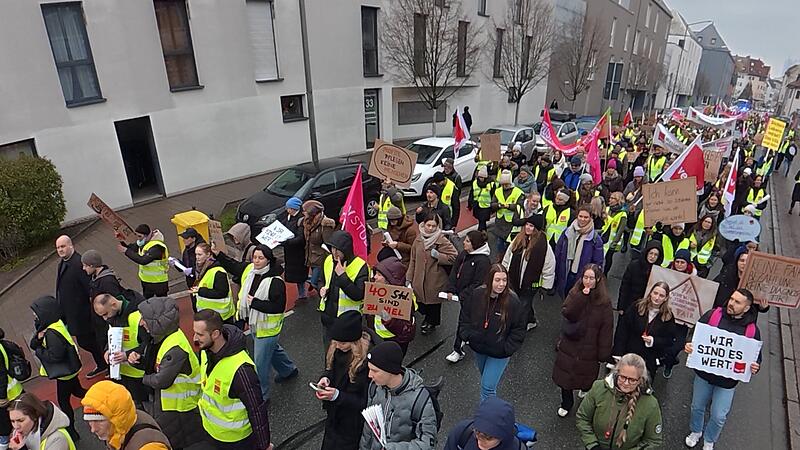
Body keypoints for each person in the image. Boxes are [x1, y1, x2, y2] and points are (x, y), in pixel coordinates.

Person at [215, 244, 297, 401]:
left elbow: (278, 307)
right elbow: (233, 265)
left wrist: (255, 303)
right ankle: (288, 370)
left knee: (259, 364)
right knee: (273, 351)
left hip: (268, 329)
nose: (256, 261)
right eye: (254, 257)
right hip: (256, 325)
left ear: (268, 260)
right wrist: (218, 254)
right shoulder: (250, 272)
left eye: (261, 258)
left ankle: (262, 396)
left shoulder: (275, 281)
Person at [684, 289, 762, 450]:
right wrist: (690, 344)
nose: (731, 303)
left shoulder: (752, 331)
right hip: (704, 375)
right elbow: (694, 335)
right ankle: (696, 431)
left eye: (737, 302)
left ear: (746, 308)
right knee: (697, 407)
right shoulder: (713, 315)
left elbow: (755, 357)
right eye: (731, 299)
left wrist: (755, 366)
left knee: (719, 416)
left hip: (727, 383)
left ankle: (710, 439)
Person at [193, 310, 272, 450]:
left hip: (236, 441)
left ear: (215, 334)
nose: (194, 338)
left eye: (200, 334)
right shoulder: (205, 352)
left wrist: (263, 445)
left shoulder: (242, 370)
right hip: (212, 432)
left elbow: (257, 410)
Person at [138, 297, 205, 449]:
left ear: (158, 322)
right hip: (173, 405)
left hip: (179, 406)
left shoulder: (174, 348)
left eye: (145, 319)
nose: (142, 322)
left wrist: (143, 378)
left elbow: (162, 380)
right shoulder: (167, 338)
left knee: (177, 440)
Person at [552, 264, 614, 417]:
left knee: (586, 375)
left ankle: (584, 389)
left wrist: (603, 353)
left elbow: (606, 329)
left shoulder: (604, 303)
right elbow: (568, 312)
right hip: (571, 342)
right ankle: (566, 403)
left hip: (590, 347)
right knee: (565, 376)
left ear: (598, 280)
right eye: (585, 277)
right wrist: (581, 297)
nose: (587, 281)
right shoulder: (575, 293)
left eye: (591, 278)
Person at [459, 265, 526, 401]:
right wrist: (467, 335)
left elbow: (519, 328)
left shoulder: (513, 302)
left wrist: (506, 348)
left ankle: (487, 419)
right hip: (479, 348)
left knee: (487, 388)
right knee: (486, 382)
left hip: (499, 353)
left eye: (504, 280)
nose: (501, 284)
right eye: (497, 280)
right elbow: (465, 316)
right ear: (489, 280)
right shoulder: (477, 294)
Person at [359, 342, 437, 450]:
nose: (369, 375)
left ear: (390, 371)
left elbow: (428, 443)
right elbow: (368, 430)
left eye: (375, 371)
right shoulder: (374, 387)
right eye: (369, 369)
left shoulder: (420, 400)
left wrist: (393, 448)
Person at [576, 353, 663, 450]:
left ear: (640, 380)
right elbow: (583, 418)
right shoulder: (599, 388)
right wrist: (592, 445)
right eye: (623, 377)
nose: (626, 383)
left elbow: (652, 441)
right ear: (617, 373)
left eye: (632, 380)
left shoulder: (650, 404)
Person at [28, 296, 84, 441]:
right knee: (78, 391)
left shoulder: (51, 334)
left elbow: (55, 356)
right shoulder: (54, 325)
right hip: (71, 370)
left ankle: (72, 430)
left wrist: (39, 351)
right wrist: (39, 339)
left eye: (36, 314)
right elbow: (33, 343)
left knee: (64, 401)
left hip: (65, 375)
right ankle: (99, 401)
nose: (35, 317)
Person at [315, 311, 370, 450]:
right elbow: (331, 370)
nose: (338, 345)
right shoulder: (336, 348)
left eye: (342, 343)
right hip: (335, 416)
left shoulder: (367, 365)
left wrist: (337, 396)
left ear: (355, 342)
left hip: (352, 424)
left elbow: (365, 402)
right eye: (336, 341)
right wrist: (325, 377)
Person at [54, 236, 108, 379]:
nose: (60, 250)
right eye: (58, 247)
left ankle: (106, 363)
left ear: (71, 246)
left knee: (89, 341)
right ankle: (103, 363)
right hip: (73, 314)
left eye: (63, 246)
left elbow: (88, 288)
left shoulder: (78, 264)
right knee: (88, 341)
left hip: (83, 314)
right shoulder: (63, 263)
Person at [92, 293, 151, 408]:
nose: (105, 318)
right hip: (122, 372)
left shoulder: (137, 318)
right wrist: (107, 351)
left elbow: (149, 344)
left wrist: (127, 355)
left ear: (113, 305)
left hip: (139, 373)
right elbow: (109, 338)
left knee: (144, 406)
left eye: (105, 314)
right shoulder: (112, 317)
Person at [82, 380, 171, 450]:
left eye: (100, 421)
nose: (93, 429)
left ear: (117, 418)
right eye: (89, 421)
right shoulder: (126, 418)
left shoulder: (149, 447)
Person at [502, 215, 555, 331]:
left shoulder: (543, 245)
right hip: (515, 280)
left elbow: (549, 267)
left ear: (536, 228)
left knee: (522, 305)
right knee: (522, 303)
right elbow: (508, 257)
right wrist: (504, 272)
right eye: (526, 225)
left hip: (531, 284)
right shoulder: (518, 240)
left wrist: (546, 286)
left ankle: (518, 328)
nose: (527, 227)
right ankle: (531, 320)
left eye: (531, 226)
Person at [445, 230, 491, 362]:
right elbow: (455, 271)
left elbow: (478, 283)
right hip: (464, 297)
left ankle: (458, 350)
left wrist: (462, 295)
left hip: (474, 299)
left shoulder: (483, 261)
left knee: (463, 321)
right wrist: (451, 289)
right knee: (473, 320)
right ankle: (472, 339)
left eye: (467, 241)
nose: (463, 243)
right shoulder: (464, 254)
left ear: (474, 244)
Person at [408, 214, 457, 335]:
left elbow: (454, 256)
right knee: (420, 302)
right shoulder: (418, 239)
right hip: (419, 278)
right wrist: (409, 278)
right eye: (428, 225)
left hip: (435, 279)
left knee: (433, 304)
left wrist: (439, 256)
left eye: (433, 226)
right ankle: (427, 318)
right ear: (423, 224)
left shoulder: (442, 240)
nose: (430, 228)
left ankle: (431, 322)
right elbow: (413, 260)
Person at [613, 282, 676, 377]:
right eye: (655, 293)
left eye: (661, 295)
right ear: (650, 293)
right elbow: (623, 330)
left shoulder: (668, 317)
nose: (657, 297)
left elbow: (669, 340)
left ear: (666, 298)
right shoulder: (636, 307)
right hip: (629, 353)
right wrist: (618, 352)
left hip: (648, 360)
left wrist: (653, 341)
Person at [319, 230, 370, 341]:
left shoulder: (361, 266)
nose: (334, 253)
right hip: (327, 317)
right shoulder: (328, 260)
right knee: (329, 353)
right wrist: (321, 289)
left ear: (346, 250)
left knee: (347, 354)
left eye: (338, 250)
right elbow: (321, 280)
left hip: (347, 321)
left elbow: (359, 295)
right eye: (332, 248)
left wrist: (342, 276)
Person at [369, 256, 416, 355]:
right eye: (375, 273)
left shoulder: (404, 298)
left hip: (393, 341)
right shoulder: (375, 290)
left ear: (389, 279)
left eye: (379, 275)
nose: (374, 277)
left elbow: (406, 332)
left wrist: (389, 321)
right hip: (377, 336)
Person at [554, 205, 605, 298]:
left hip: (582, 276)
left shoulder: (595, 239)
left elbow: (598, 262)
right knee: (565, 296)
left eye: (586, 217)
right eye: (580, 216)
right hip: (566, 271)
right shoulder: (567, 232)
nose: (582, 219)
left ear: (591, 218)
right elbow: (558, 251)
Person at [443, 396, 527, 450]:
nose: (480, 442)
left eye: (488, 438)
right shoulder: (462, 432)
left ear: (503, 436)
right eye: (477, 433)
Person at [117, 224, 169, 298]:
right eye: (137, 236)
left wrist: (126, 251)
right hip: (146, 281)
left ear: (148, 235)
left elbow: (143, 260)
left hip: (159, 282)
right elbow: (132, 248)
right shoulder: (145, 243)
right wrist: (122, 241)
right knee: (147, 303)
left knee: (162, 304)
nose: (138, 239)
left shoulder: (158, 247)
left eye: (140, 236)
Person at [8, 393, 75, 450]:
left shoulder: (57, 439)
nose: (16, 426)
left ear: (34, 416)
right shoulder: (20, 433)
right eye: (12, 421)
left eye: (20, 420)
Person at [191, 243, 235, 323]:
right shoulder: (202, 269)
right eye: (196, 254)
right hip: (209, 316)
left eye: (200, 254)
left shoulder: (218, 271)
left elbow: (222, 293)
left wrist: (200, 291)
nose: (197, 257)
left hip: (221, 317)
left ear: (208, 254)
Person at [278, 197, 309, 301]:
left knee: (299, 274)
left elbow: (300, 239)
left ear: (295, 208)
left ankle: (302, 293)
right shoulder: (288, 217)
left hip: (298, 253)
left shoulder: (301, 221)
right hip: (290, 252)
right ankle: (302, 290)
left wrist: (286, 242)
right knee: (295, 274)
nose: (287, 210)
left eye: (289, 208)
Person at [302, 200, 337, 292]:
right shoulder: (306, 222)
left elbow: (328, 243)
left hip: (321, 258)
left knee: (316, 282)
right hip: (311, 256)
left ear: (312, 213)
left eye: (305, 211)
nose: (303, 213)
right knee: (318, 280)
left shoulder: (325, 225)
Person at [492, 170, 526, 257]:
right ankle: (500, 258)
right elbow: (492, 204)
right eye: (502, 184)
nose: (504, 186)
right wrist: (499, 205)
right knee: (499, 245)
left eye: (506, 184)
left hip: (511, 224)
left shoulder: (518, 192)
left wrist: (509, 206)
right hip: (500, 222)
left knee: (509, 246)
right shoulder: (498, 191)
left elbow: (520, 206)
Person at [0, 328, 24, 450]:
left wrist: (2, 396)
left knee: (4, 431)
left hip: (7, 397)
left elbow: (1, 375)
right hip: (14, 392)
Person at [601, 192, 627, 275]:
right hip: (603, 237)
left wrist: (615, 242)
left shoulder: (623, 214)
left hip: (612, 241)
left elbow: (620, 230)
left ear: (618, 200)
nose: (610, 200)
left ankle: (605, 274)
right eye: (610, 198)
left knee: (608, 258)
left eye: (613, 198)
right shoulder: (607, 209)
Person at [468, 165, 495, 231]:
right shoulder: (474, 183)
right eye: (479, 177)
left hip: (486, 206)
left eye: (482, 177)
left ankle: (481, 233)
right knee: (480, 220)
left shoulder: (491, 184)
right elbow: (471, 193)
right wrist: (470, 204)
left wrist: (493, 205)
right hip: (477, 205)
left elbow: (493, 195)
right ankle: (483, 233)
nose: (480, 179)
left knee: (482, 221)